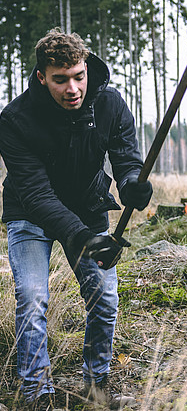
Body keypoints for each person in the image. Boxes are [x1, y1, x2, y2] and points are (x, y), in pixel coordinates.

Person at [0, 28, 152, 410]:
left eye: (79, 76)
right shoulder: (16, 119)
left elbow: (126, 157)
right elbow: (36, 195)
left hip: (88, 205)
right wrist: (82, 236)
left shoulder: (110, 103)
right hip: (30, 214)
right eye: (60, 79)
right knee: (33, 297)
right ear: (41, 76)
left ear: (87, 68)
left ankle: (95, 385)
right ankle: (36, 393)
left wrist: (134, 183)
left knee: (104, 297)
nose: (73, 88)